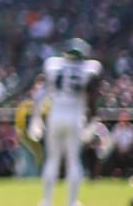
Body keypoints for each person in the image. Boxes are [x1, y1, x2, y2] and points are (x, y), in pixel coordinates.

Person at [29, 38, 102, 206]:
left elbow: (41, 94)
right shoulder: (89, 68)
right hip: (75, 117)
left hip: (56, 116)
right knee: (74, 161)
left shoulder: (54, 66)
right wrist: (93, 122)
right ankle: (71, 201)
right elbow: (93, 98)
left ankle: (47, 201)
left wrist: (36, 117)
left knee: (52, 160)